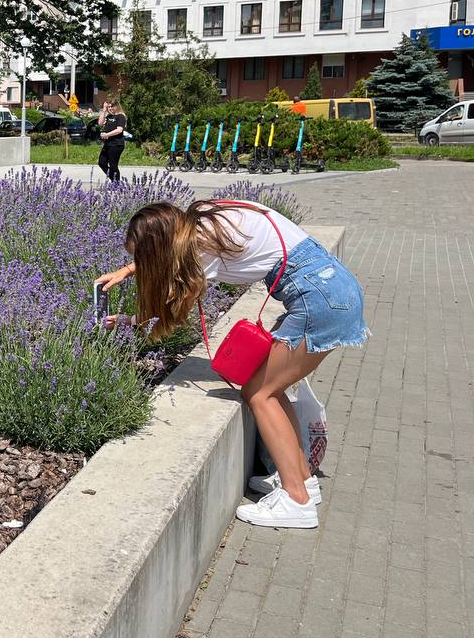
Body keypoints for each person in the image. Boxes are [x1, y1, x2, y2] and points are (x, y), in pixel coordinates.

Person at [94, 200, 369, 529]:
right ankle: (303, 482)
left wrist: (129, 321)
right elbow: (170, 252)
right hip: (333, 286)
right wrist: (129, 270)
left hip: (318, 300)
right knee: (270, 389)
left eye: (142, 258)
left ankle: (297, 501)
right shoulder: (209, 219)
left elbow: (173, 314)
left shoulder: (201, 253)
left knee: (260, 394)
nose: (141, 264)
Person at [97, 98, 127, 182]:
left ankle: (116, 184)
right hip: (108, 144)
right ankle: (114, 181)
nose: (110, 108)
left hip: (116, 144)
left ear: (117, 106)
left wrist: (107, 135)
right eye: (109, 107)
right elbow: (100, 123)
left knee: (113, 165)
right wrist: (104, 110)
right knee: (102, 163)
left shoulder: (121, 116)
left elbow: (119, 130)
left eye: (111, 107)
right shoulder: (109, 116)